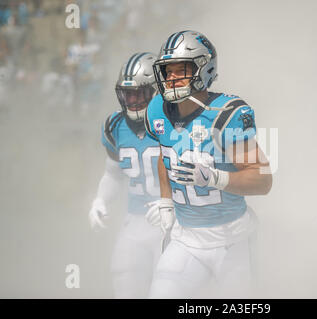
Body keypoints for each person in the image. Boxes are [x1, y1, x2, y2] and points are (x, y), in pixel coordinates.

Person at [144, 30, 272, 298]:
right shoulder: (157, 109)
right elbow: (163, 153)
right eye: (168, 72)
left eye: (181, 70)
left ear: (205, 69)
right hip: (185, 238)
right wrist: (166, 200)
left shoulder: (226, 113)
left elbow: (262, 180)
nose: (171, 79)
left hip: (231, 240)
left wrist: (217, 178)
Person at [88, 52, 163, 298]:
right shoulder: (114, 126)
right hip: (134, 221)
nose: (131, 100)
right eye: (126, 93)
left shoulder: (174, 122)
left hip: (174, 222)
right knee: (124, 283)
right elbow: (112, 174)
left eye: (138, 93)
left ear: (154, 91)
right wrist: (100, 200)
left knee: (167, 286)